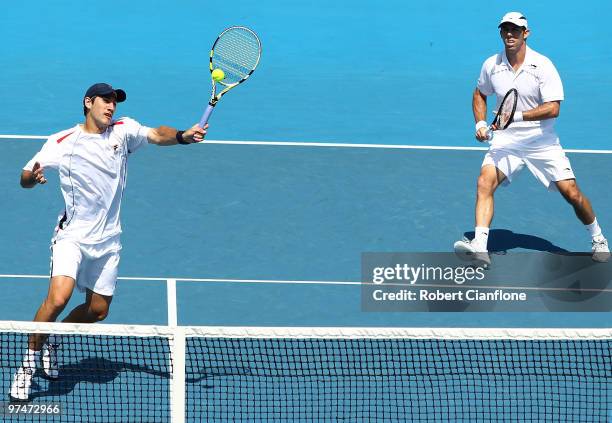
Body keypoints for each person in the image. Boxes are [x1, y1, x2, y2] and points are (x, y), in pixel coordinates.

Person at [9, 83, 207, 402]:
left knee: (98, 311)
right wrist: (33, 177)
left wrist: (183, 135)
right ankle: (27, 365)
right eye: (106, 100)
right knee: (58, 298)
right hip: (72, 237)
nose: (111, 106)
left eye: (115, 102)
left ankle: (55, 339)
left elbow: (158, 134)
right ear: (89, 103)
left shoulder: (123, 131)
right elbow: (24, 179)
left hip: (108, 241)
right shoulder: (62, 142)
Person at [454, 12, 609, 265]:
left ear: (526, 33)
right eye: (505, 30)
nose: (509, 35)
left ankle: (598, 238)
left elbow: (553, 108)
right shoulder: (491, 65)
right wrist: (481, 123)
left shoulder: (543, 65)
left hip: (542, 142)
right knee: (484, 182)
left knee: (572, 193)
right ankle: (480, 246)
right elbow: (479, 93)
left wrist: (514, 117)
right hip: (506, 142)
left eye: (515, 30)